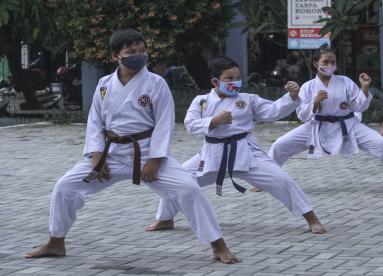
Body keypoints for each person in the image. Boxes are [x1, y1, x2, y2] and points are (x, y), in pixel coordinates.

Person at [25, 29, 240, 264]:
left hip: (147, 152)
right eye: (131, 52)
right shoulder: (104, 84)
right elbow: (95, 121)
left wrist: (156, 159)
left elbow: (164, 124)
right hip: (111, 154)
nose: (138, 55)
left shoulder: (156, 84)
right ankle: (56, 242)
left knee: (189, 188)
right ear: (116, 55)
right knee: (65, 186)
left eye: (141, 51)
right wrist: (96, 155)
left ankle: (218, 245)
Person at [145, 56, 326, 234]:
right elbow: (190, 124)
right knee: (180, 180)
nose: (236, 81)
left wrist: (292, 96)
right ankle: (165, 218)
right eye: (230, 78)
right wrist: (214, 121)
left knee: (282, 180)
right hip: (211, 154)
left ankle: (311, 218)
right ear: (216, 81)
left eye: (238, 77)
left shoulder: (248, 99)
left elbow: (271, 112)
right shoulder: (201, 101)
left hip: (246, 151)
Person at [268, 46, 383, 192]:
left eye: (333, 62)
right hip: (317, 125)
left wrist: (364, 88)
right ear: (316, 64)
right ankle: (265, 179)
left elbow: (359, 106)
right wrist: (315, 102)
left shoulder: (345, 82)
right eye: (325, 62)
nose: (330, 66)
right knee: (280, 145)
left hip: (348, 124)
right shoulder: (308, 87)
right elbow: (302, 115)